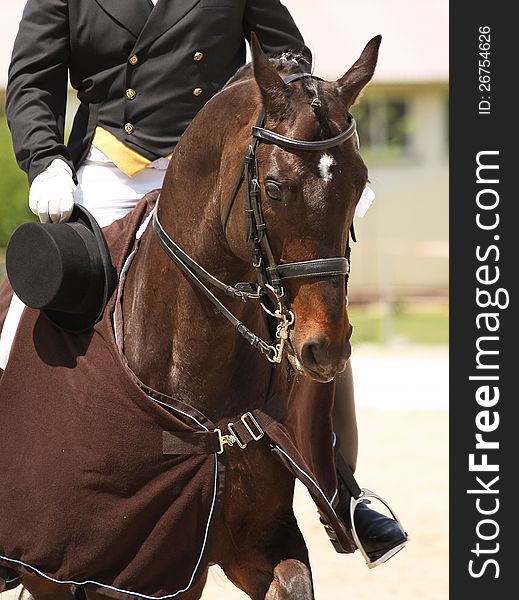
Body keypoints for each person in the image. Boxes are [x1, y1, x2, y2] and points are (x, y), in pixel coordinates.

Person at [0, 0, 407, 592]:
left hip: (218, 168)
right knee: (29, 302)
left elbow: (288, 58)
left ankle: (341, 486)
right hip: (109, 170)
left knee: (311, 309)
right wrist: (44, 161)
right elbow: (31, 79)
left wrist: (316, 149)